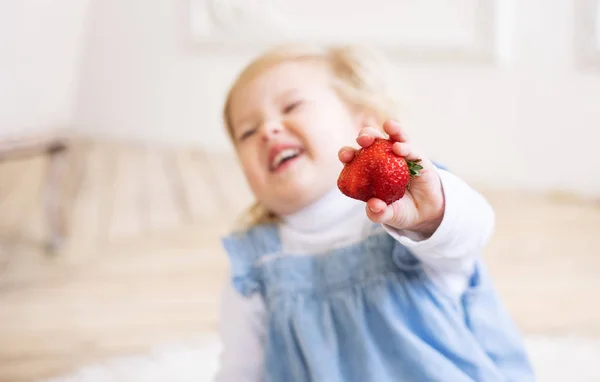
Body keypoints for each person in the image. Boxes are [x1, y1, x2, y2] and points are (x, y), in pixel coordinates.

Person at [213, 43, 534, 381]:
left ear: (362, 121)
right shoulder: (254, 266)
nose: (268, 130)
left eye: (291, 106)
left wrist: (433, 214)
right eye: (247, 132)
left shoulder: (406, 215)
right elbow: (240, 370)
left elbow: (473, 235)